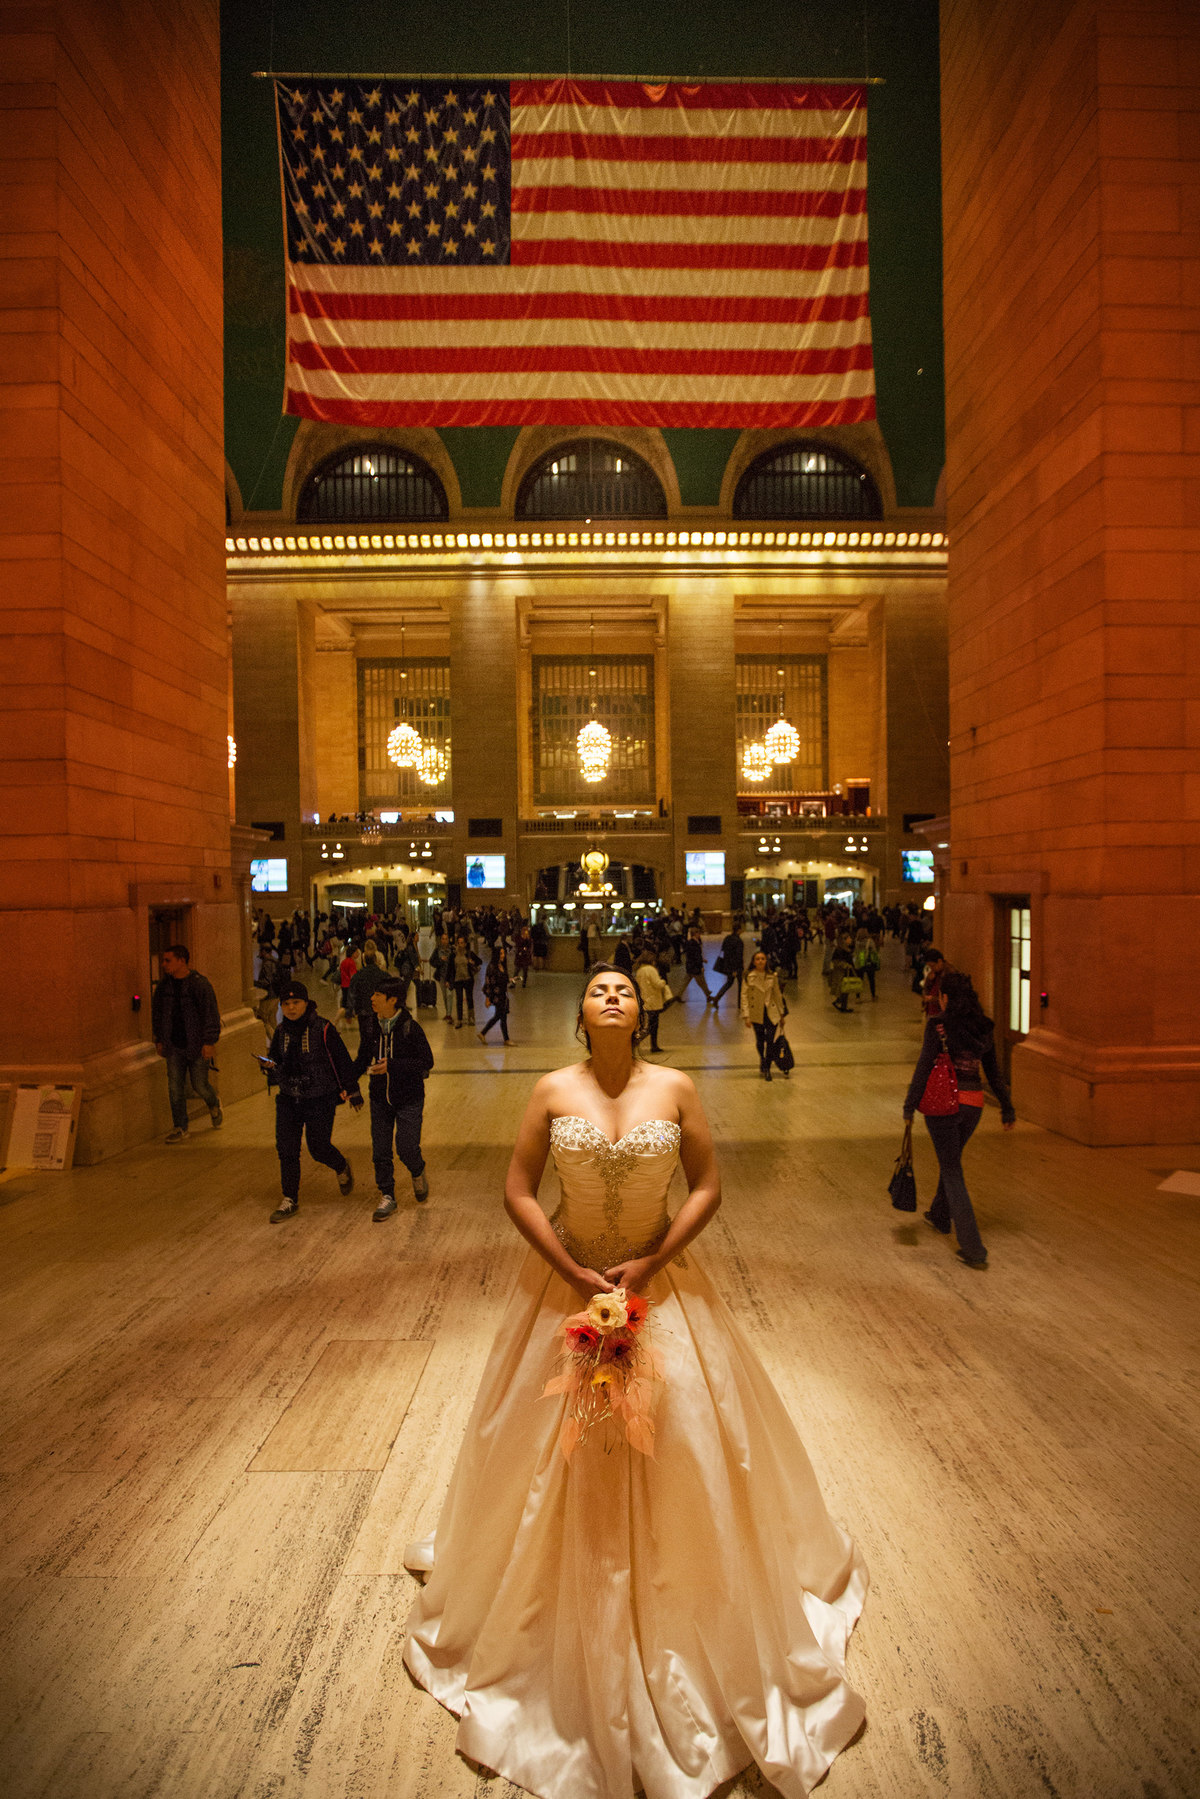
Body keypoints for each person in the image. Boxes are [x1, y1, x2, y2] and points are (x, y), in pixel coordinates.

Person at [402, 964, 867, 1797]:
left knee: (686, 1435)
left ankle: (688, 1606)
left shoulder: (678, 1086)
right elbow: (517, 1189)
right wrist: (574, 1272)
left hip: (661, 1286)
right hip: (570, 1283)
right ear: (581, 1013)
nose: (613, 995)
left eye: (624, 988)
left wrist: (651, 1263)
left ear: (643, 1006)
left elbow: (709, 1186)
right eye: (597, 989)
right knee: (547, 1445)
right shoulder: (550, 1089)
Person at [903, 970, 1016, 1269]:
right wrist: (1007, 1107)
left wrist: (909, 1106)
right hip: (974, 1105)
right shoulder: (983, 1027)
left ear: (947, 997)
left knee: (952, 1170)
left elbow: (925, 1066)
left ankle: (973, 1247)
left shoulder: (939, 1025)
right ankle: (940, 1215)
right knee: (950, 1158)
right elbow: (993, 1073)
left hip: (945, 1106)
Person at [262, 981, 362, 1223]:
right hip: (288, 1097)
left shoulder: (323, 1028)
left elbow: (342, 1060)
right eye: (286, 1004)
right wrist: (268, 1066)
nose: (291, 1008)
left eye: (296, 1003)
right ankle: (289, 1198)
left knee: (317, 1147)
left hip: (320, 1097)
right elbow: (276, 1059)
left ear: (306, 1003)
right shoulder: (281, 1031)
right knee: (286, 1149)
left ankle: (340, 1165)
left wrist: (353, 1090)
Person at [353, 976, 434, 1219]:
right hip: (379, 1099)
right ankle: (387, 1194)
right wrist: (348, 1085)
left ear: (393, 1000)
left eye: (378, 995)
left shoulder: (411, 1029)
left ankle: (417, 1169)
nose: (372, 999)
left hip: (409, 1098)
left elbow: (426, 1062)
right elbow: (360, 1060)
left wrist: (393, 1066)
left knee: (407, 1148)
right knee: (380, 1150)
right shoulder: (370, 1027)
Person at [152, 945, 223, 1141]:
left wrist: (209, 1041)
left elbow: (210, 1014)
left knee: (199, 1085)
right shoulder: (164, 987)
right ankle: (180, 1127)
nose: (164, 964)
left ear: (181, 961)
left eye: (168, 960)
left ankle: (213, 1102)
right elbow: (157, 1014)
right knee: (175, 1088)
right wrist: (158, 1039)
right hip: (173, 1046)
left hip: (196, 1044)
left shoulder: (199, 985)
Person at [741, 949, 786, 1080]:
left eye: (763, 959)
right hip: (756, 1013)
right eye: (757, 959)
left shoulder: (772, 976)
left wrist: (782, 1015)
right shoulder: (748, 976)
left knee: (770, 1040)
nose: (760, 961)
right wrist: (746, 1016)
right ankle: (762, 1058)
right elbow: (744, 996)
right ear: (754, 962)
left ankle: (767, 1066)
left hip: (771, 1012)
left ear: (766, 961)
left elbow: (778, 995)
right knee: (760, 1040)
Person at [633, 947, 673, 1052]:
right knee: (652, 1026)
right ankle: (641, 1043)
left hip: (645, 1000)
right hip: (653, 1001)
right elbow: (657, 984)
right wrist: (663, 982)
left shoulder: (640, 970)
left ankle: (653, 1045)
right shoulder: (651, 970)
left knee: (650, 1025)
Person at [478, 944, 515, 1044]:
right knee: (499, 1016)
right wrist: (487, 998)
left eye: (503, 953)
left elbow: (503, 979)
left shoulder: (502, 965)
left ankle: (505, 1039)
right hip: (497, 996)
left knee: (502, 1017)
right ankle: (484, 1033)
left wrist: (510, 980)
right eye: (501, 953)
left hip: (503, 995)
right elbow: (488, 983)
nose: (503, 956)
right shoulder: (492, 967)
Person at [711, 918, 746, 1009]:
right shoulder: (739, 941)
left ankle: (717, 998)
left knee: (729, 983)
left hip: (728, 965)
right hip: (737, 967)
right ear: (739, 930)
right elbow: (738, 956)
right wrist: (736, 969)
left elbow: (723, 950)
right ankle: (740, 1004)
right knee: (741, 985)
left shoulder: (727, 938)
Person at [450, 933, 481, 1027]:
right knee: (459, 999)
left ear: (465, 944)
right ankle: (459, 1019)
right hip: (457, 980)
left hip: (468, 979)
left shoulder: (469, 954)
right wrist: (448, 980)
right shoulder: (453, 955)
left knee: (469, 998)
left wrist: (472, 962)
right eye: (458, 943)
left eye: (462, 943)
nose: (460, 945)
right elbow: (450, 968)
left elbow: (480, 961)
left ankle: (471, 1018)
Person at [680, 923, 713, 1002]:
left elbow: (693, 955)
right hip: (695, 967)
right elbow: (696, 956)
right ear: (695, 933)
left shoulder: (690, 943)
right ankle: (708, 994)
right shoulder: (694, 943)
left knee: (686, 982)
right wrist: (701, 965)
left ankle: (678, 995)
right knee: (702, 981)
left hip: (690, 966)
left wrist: (702, 960)